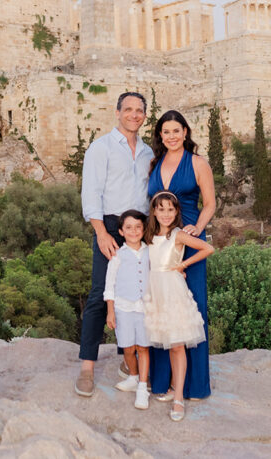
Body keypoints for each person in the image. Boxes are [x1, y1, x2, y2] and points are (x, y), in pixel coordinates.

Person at [75, 92, 154, 397]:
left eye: (140, 110)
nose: (134, 114)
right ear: (118, 112)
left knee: (138, 295)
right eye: (129, 109)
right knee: (100, 293)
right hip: (109, 226)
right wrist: (101, 232)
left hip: (141, 229)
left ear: (144, 115)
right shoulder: (101, 147)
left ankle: (129, 364)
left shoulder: (148, 152)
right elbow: (91, 193)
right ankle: (86, 368)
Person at [147, 109, 216, 401]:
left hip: (186, 239)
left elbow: (211, 202)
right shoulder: (154, 163)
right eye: (166, 132)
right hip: (159, 240)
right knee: (161, 309)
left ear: (185, 132)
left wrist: (198, 228)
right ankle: (162, 382)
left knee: (192, 311)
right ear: (160, 136)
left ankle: (193, 386)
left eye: (176, 131)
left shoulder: (198, 162)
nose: (172, 136)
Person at [144, 191, 214, 421]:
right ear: (154, 211)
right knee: (159, 340)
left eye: (170, 209)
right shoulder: (148, 235)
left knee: (176, 344)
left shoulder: (178, 235)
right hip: (153, 292)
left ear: (176, 212)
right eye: (161, 209)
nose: (165, 214)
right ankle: (170, 386)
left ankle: (178, 397)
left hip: (172, 291)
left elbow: (207, 248)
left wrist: (182, 264)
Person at [104, 209, 152, 410]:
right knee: (128, 347)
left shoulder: (151, 251)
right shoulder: (117, 256)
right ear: (121, 232)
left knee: (143, 347)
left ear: (143, 229)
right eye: (129, 227)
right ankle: (133, 376)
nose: (134, 231)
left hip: (145, 308)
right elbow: (110, 285)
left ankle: (142, 387)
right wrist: (111, 311)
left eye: (138, 227)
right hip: (123, 308)